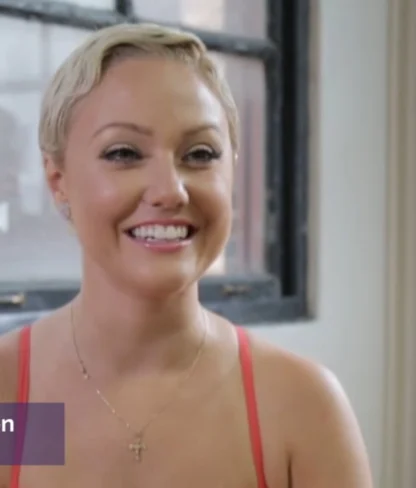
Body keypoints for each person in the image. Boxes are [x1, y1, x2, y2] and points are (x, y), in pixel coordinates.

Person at [0, 23, 373, 487]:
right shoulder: (10, 398)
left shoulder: (299, 407)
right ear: (59, 181)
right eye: (123, 153)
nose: (170, 190)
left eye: (199, 153)